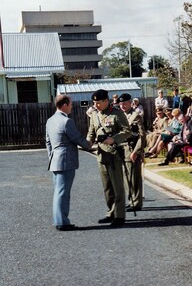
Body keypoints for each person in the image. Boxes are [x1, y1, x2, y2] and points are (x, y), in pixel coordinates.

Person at [86, 89, 132, 227]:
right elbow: (91, 132)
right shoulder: (94, 115)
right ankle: (110, 212)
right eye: (94, 103)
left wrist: (114, 139)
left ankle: (119, 216)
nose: (95, 105)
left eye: (98, 103)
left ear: (106, 101)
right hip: (101, 155)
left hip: (114, 154)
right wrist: (87, 142)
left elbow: (127, 131)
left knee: (117, 186)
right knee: (107, 187)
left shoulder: (117, 113)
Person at [46, 94, 91, 231]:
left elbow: (48, 142)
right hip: (66, 161)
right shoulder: (67, 121)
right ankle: (62, 222)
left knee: (58, 192)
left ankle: (59, 220)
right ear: (64, 105)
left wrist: (52, 158)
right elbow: (76, 138)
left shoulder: (50, 120)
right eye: (70, 104)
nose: (72, 106)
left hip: (55, 160)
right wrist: (89, 144)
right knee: (63, 192)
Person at [118, 93, 146, 211]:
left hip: (132, 149)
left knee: (134, 177)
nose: (122, 105)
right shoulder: (119, 116)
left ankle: (136, 202)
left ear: (130, 103)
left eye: (125, 103)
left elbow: (142, 136)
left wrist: (137, 151)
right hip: (121, 149)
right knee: (126, 177)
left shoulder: (136, 116)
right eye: (120, 103)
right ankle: (130, 200)